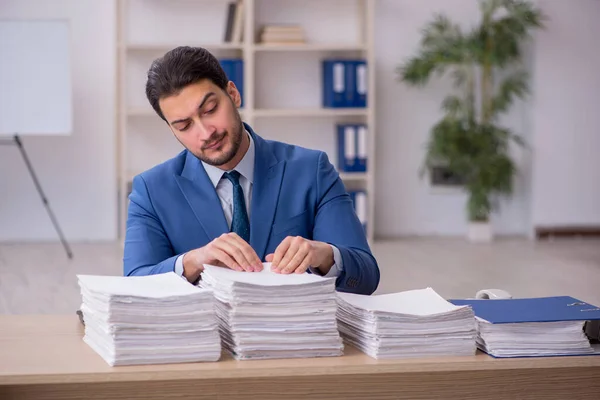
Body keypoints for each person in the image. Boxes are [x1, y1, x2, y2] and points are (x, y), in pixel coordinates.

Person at [123, 46, 380, 295]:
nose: (205, 133)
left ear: (233, 94)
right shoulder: (151, 190)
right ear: (171, 129)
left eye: (210, 110)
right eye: (184, 125)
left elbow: (366, 275)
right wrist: (194, 261)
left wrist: (324, 255)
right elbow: (134, 284)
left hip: (296, 332)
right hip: (204, 336)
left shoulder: (312, 169)